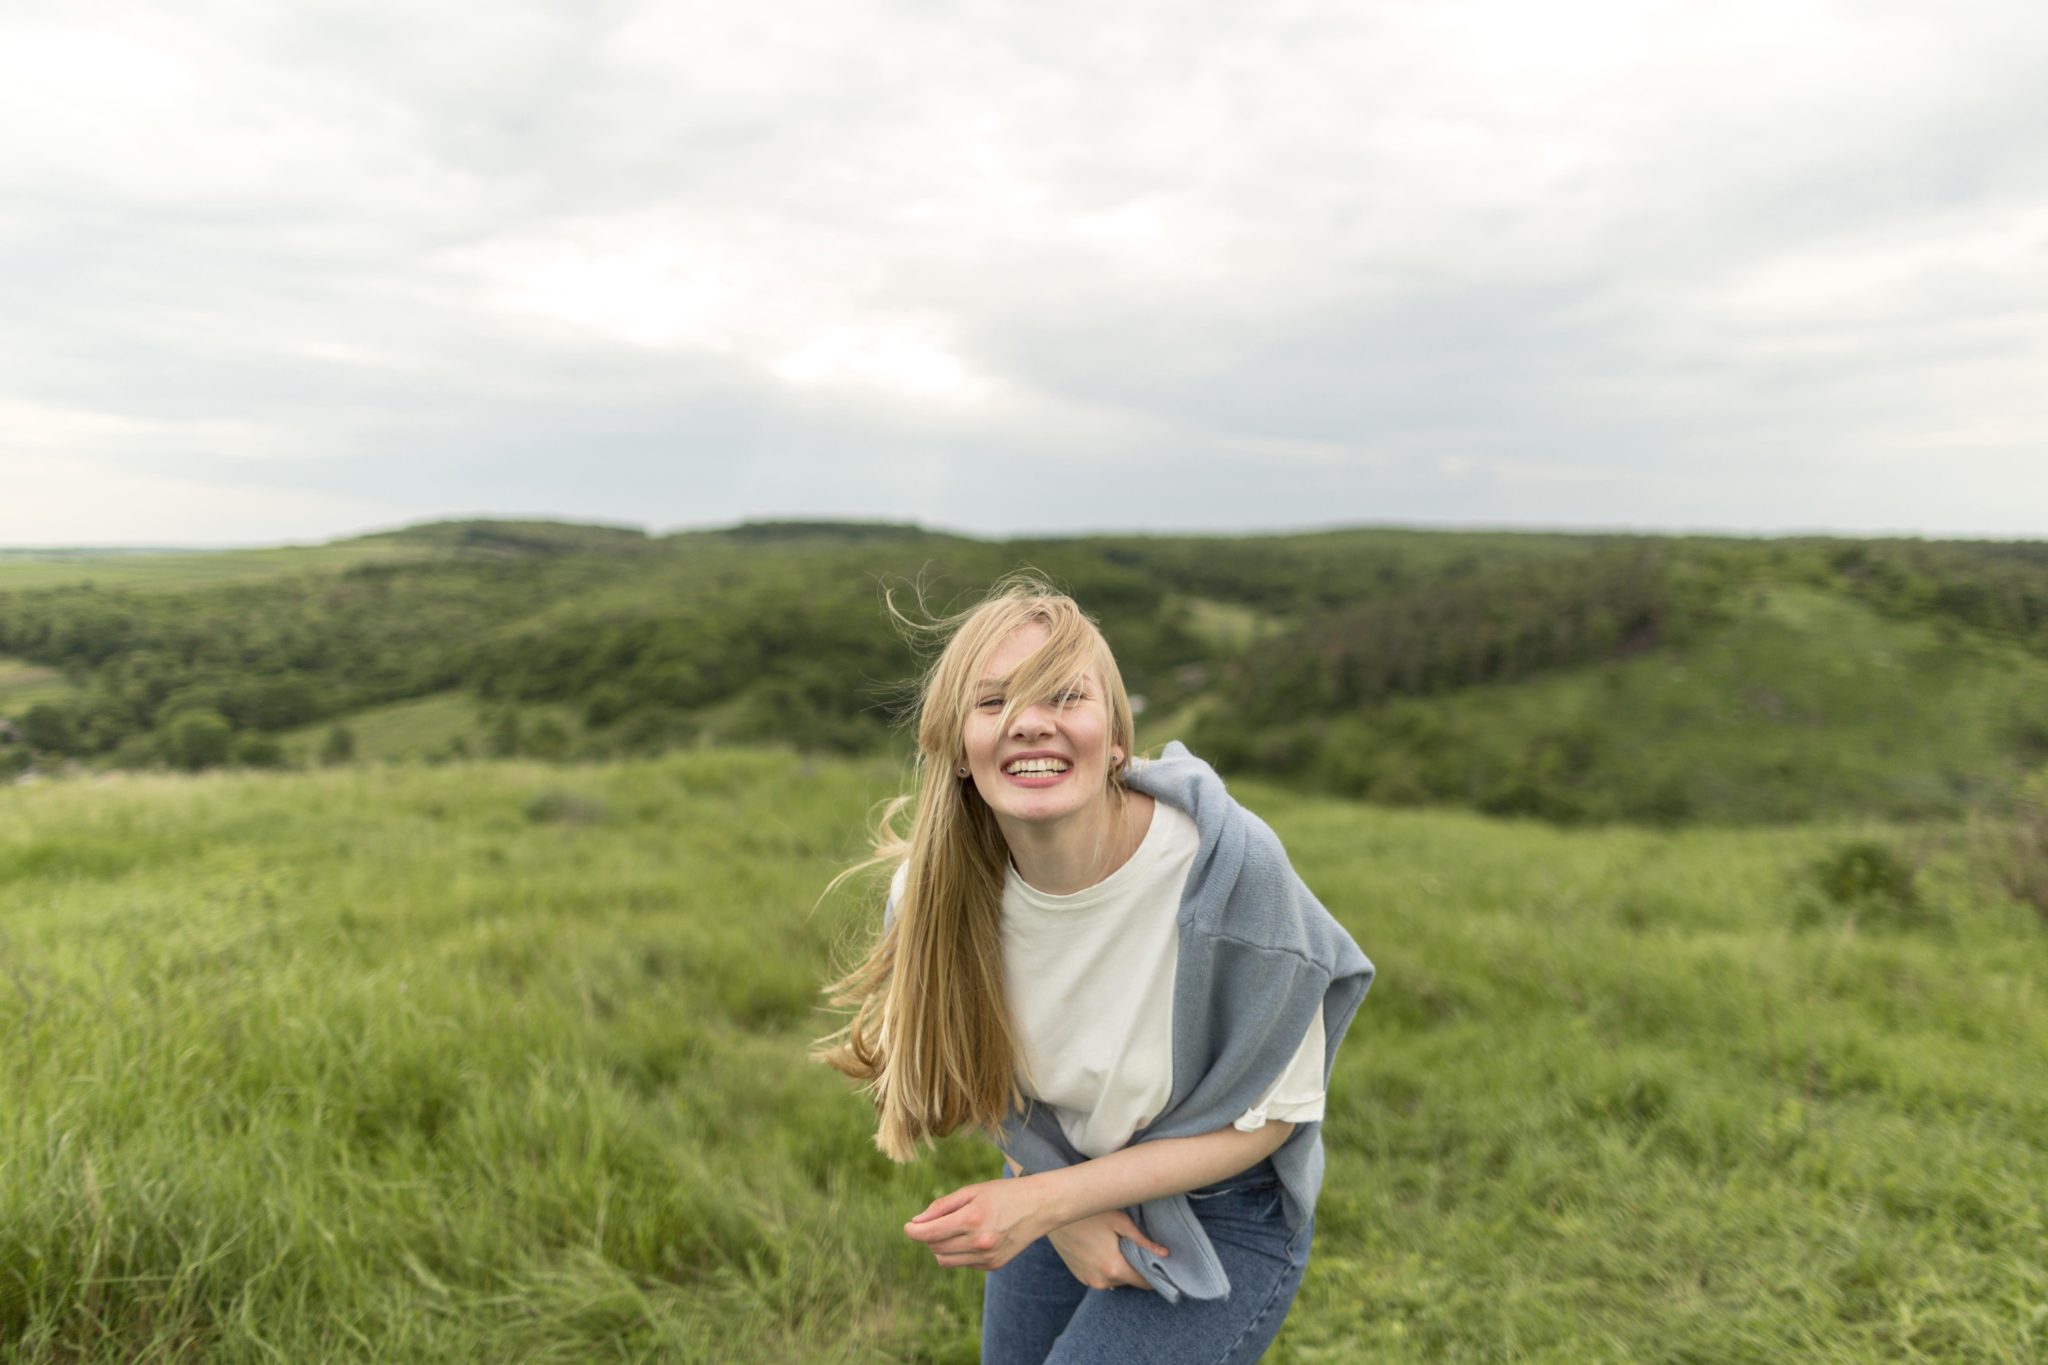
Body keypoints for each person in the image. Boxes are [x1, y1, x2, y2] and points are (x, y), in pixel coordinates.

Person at [815, 574, 1374, 1364]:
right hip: (1056, 1170)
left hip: (1221, 1206)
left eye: (1065, 697)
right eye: (993, 701)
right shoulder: (931, 897)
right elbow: (973, 1068)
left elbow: (1273, 1116)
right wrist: (1062, 1207)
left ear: (1116, 738)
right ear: (957, 747)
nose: (1030, 724)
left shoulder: (1226, 872)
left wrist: (1046, 1202)